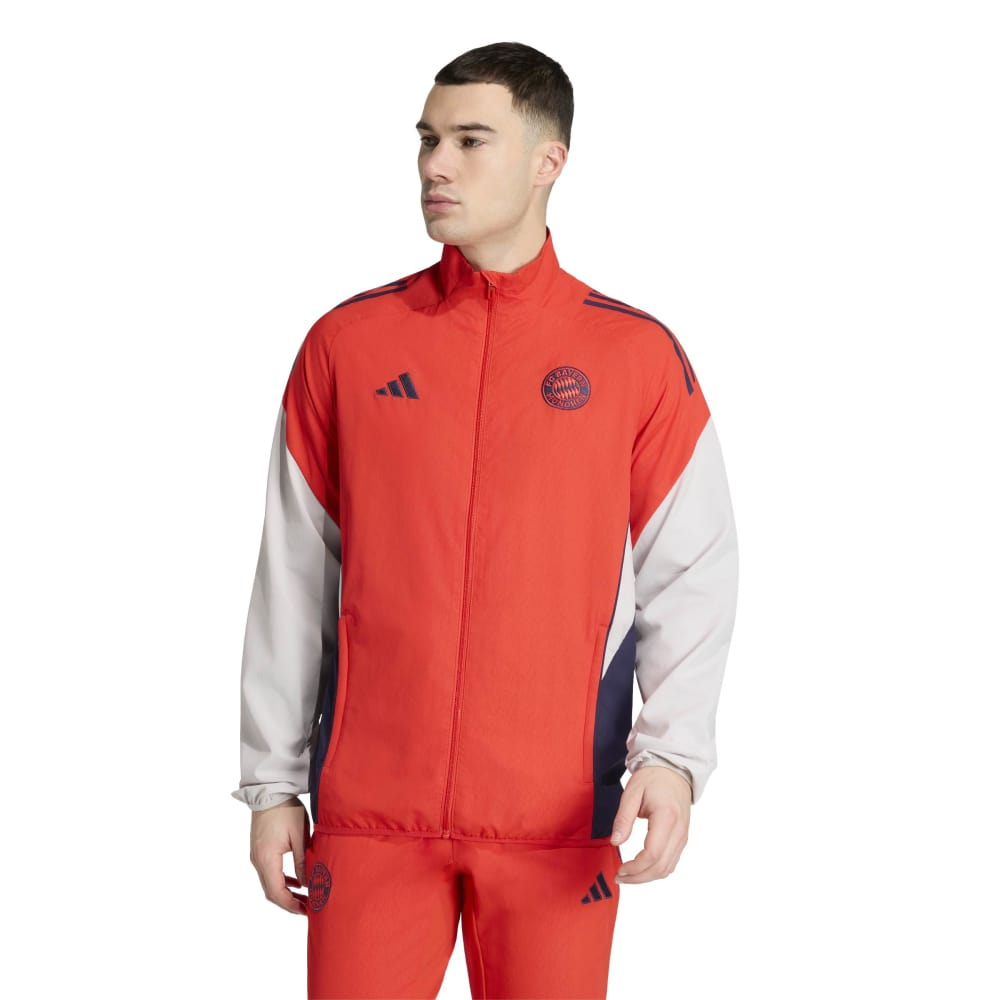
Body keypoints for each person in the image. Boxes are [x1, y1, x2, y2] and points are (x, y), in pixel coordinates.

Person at [232, 40, 738, 1000]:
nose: (435, 165)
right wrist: (271, 783)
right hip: (370, 817)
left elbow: (693, 570)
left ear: (550, 160)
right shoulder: (348, 344)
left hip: (558, 819)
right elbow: (294, 575)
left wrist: (672, 758)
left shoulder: (632, 357)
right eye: (427, 139)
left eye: (470, 140)